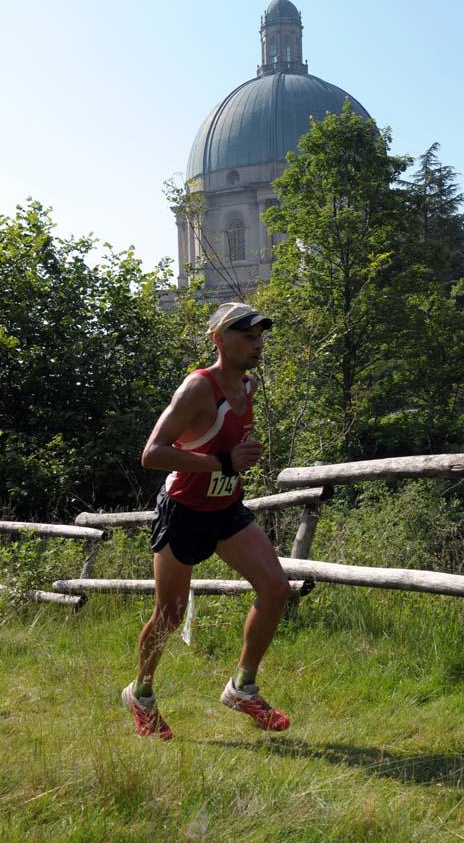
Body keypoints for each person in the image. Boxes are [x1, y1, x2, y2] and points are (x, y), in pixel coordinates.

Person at [122, 302, 292, 740]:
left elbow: (227, 454)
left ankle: (242, 686)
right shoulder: (197, 388)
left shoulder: (249, 387)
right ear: (219, 339)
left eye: (259, 337)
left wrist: (235, 463)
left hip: (226, 509)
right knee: (170, 615)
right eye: (247, 336)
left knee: (276, 589)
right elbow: (152, 453)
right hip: (183, 510)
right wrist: (222, 460)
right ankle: (140, 693)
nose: (257, 345)